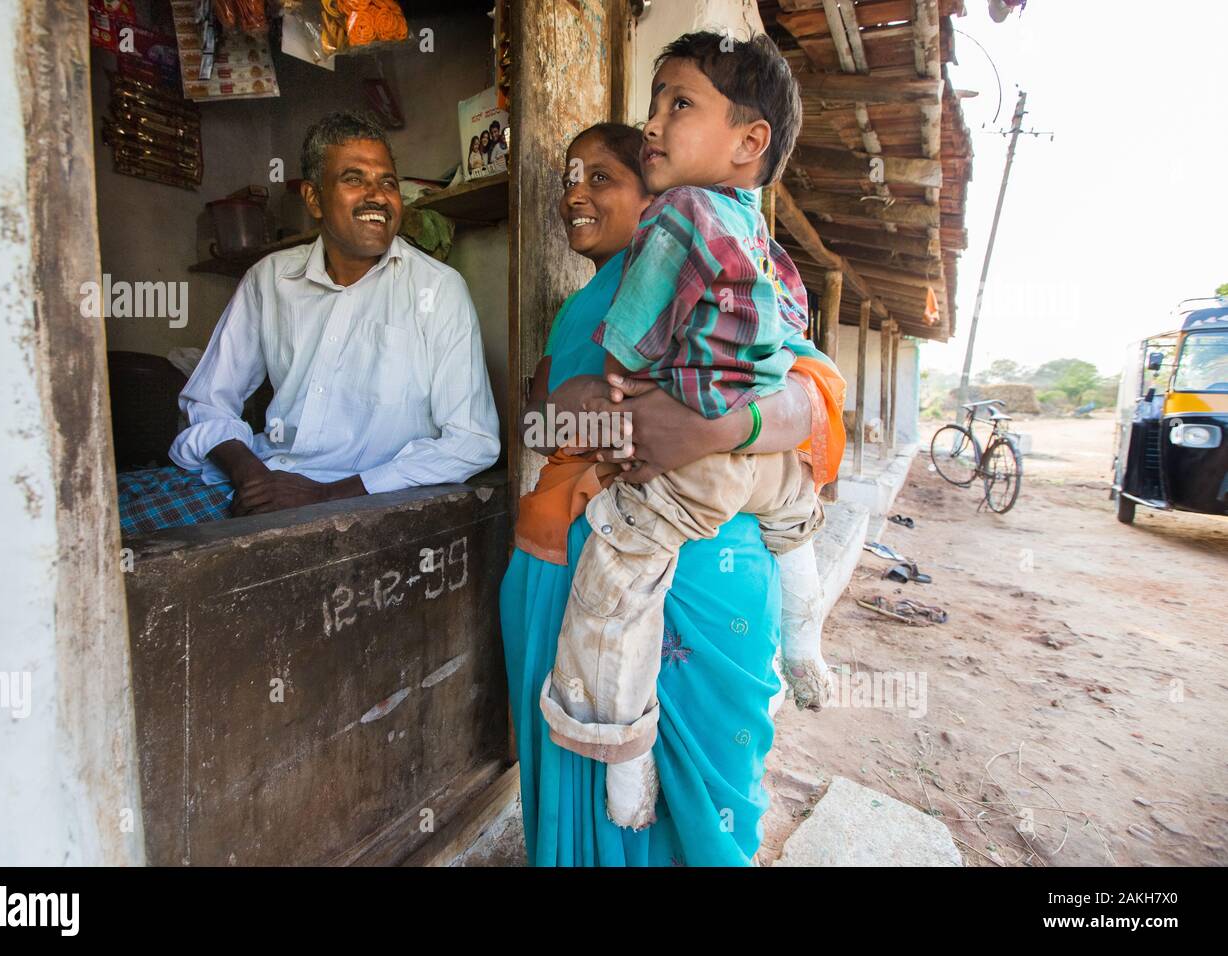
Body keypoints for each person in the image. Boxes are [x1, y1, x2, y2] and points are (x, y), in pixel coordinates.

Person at [500, 120, 844, 865]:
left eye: (601, 178)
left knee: (684, 821)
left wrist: (710, 431)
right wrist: (566, 409)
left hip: (682, 574)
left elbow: (812, 400)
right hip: (557, 562)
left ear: (652, 189)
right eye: (569, 177)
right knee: (574, 793)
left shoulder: (705, 273)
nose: (574, 195)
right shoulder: (576, 306)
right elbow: (536, 427)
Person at [118, 112, 500, 536]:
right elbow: (208, 399)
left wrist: (324, 495)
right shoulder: (271, 278)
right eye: (354, 179)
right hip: (263, 481)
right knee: (106, 521)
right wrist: (250, 475)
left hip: (363, 500)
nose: (377, 196)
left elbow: (472, 441)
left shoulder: (439, 289)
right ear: (314, 199)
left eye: (388, 182)